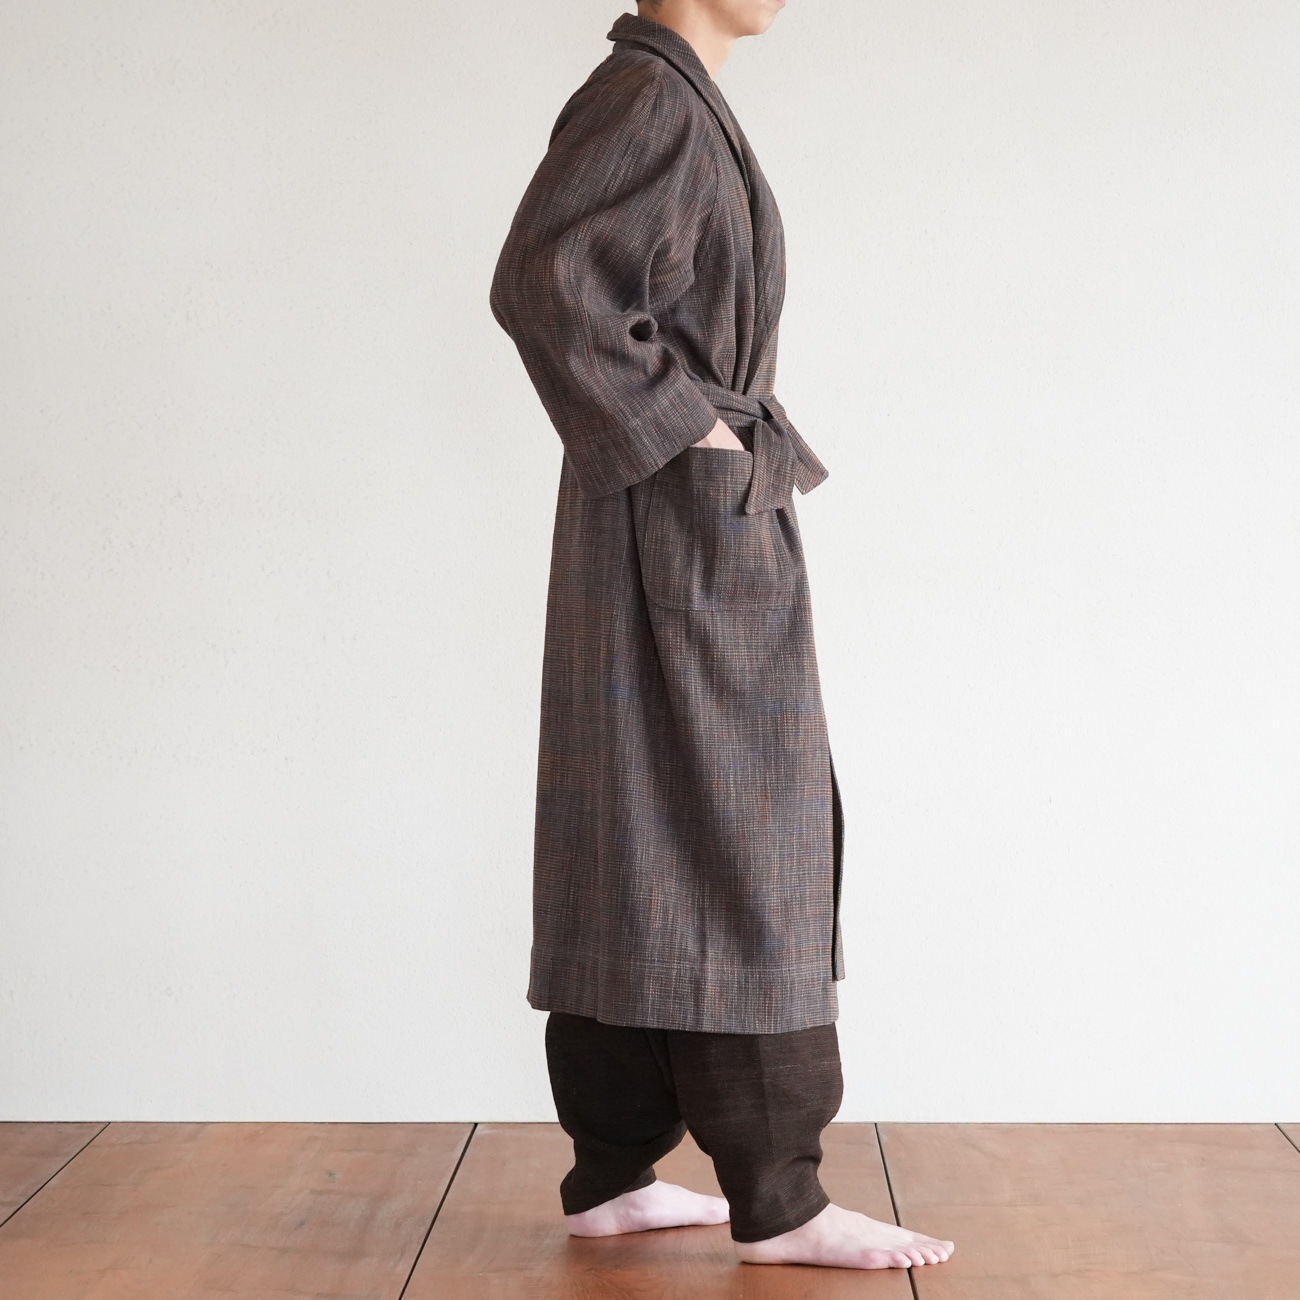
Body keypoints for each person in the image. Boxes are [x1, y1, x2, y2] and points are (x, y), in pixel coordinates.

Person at [489, 0, 954, 1271]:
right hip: (675, 510)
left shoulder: (665, 97)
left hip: (661, 513)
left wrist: (695, 444)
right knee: (744, 831)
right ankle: (779, 1195)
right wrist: (692, 432)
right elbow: (546, 283)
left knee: (636, 817)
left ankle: (611, 1169)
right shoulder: (650, 99)